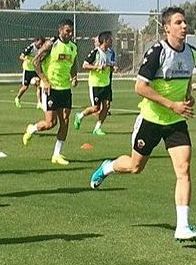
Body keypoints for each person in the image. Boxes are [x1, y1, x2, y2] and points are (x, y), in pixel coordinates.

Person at [89, 7, 196, 242]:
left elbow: (187, 81)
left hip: (176, 123)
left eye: (185, 22)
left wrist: (189, 97)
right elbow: (139, 87)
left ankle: (182, 226)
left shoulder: (191, 53)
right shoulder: (157, 52)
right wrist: (172, 105)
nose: (184, 26)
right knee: (135, 167)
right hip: (150, 120)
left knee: (184, 170)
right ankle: (108, 167)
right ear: (166, 27)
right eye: (178, 22)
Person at [22, 19, 78, 165]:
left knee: (65, 121)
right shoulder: (51, 44)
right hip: (51, 88)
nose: (70, 34)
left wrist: (74, 76)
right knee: (50, 123)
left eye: (71, 31)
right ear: (60, 31)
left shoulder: (73, 47)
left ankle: (57, 154)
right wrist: (44, 80)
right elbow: (36, 61)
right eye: (67, 31)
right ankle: (32, 129)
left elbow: (74, 63)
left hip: (65, 88)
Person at [74, 31, 118, 136]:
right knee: (96, 108)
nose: (112, 41)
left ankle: (97, 128)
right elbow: (85, 65)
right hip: (95, 84)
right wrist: (96, 67)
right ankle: (80, 116)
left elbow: (110, 65)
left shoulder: (111, 52)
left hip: (106, 84)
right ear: (105, 40)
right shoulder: (95, 52)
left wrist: (113, 68)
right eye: (110, 39)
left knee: (106, 106)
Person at [14, 36, 45, 109]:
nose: (40, 45)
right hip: (27, 69)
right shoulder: (30, 48)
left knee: (39, 85)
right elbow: (21, 56)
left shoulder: (42, 49)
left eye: (42, 44)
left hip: (36, 69)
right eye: (40, 43)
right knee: (25, 87)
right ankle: (17, 98)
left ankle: (39, 103)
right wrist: (27, 60)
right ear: (36, 41)